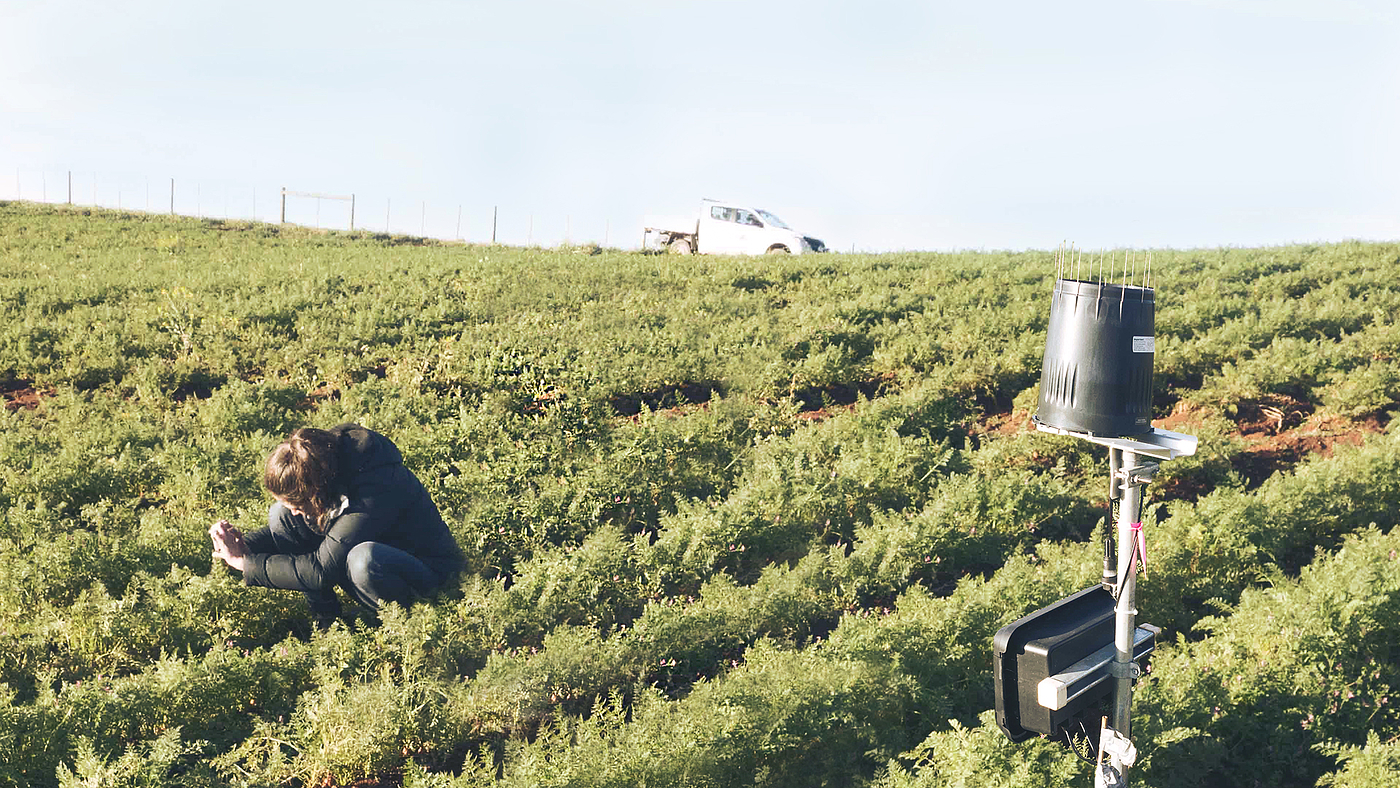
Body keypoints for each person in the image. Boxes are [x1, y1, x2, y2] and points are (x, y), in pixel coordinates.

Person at [210, 423, 464, 623]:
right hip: (379, 558)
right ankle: (327, 620)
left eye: (299, 506)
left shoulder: (374, 490)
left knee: (364, 559)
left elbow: (320, 569)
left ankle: (399, 626)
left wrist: (244, 563)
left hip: (431, 574)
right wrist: (244, 545)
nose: (298, 513)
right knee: (281, 516)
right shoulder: (328, 465)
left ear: (317, 492)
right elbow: (327, 535)